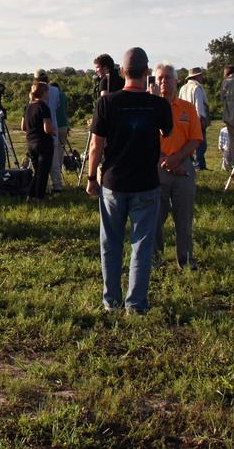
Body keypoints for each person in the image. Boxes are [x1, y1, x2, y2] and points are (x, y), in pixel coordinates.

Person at [85, 47, 173, 314]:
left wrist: (91, 177)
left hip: (113, 182)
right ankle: (135, 303)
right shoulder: (158, 105)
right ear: (147, 73)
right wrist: (156, 98)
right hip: (146, 182)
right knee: (142, 245)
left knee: (110, 243)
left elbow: (95, 147)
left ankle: (111, 300)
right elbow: (166, 132)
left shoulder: (106, 103)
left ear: (122, 72)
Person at [153, 64, 201, 270]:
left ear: (176, 81)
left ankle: (186, 259)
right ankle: (155, 259)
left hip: (184, 168)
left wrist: (178, 159)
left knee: (184, 218)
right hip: (157, 168)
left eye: (168, 78)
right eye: (160, 78)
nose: (164, 82)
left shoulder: (187, 108)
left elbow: (195, 138)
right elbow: (145, 140)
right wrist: (165, 161)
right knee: (154, 218)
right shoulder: (151, 108)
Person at [20, 81, 54, 200]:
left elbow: (23, 127)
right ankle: (40, 197)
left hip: (30, 142)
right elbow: (47, 128)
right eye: (47, 91)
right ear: (43, 92)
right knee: (43, 172)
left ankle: (30, 195)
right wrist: (53, 131)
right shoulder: (43, 106)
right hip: (43, 142)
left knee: (38, 171)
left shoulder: (28, 106)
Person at [35, 70, 64, 191]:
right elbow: (57, 106)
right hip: (53, 127)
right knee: (54, 160)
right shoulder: (55, 90)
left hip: (40, 130)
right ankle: (57, 185)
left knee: (40, 161)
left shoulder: (36, 90)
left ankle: (43, 186)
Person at [178, 68, 210, 170]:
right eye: (200, 75)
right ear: (196, 76)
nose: (202, 77)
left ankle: (191, 163)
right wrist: (201, 119)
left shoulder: (183, 88)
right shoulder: (197, 88)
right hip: (195, 119)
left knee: (188, 142)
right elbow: (199, 105)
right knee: (200, 143)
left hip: (184, 119)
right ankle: (199, 165)